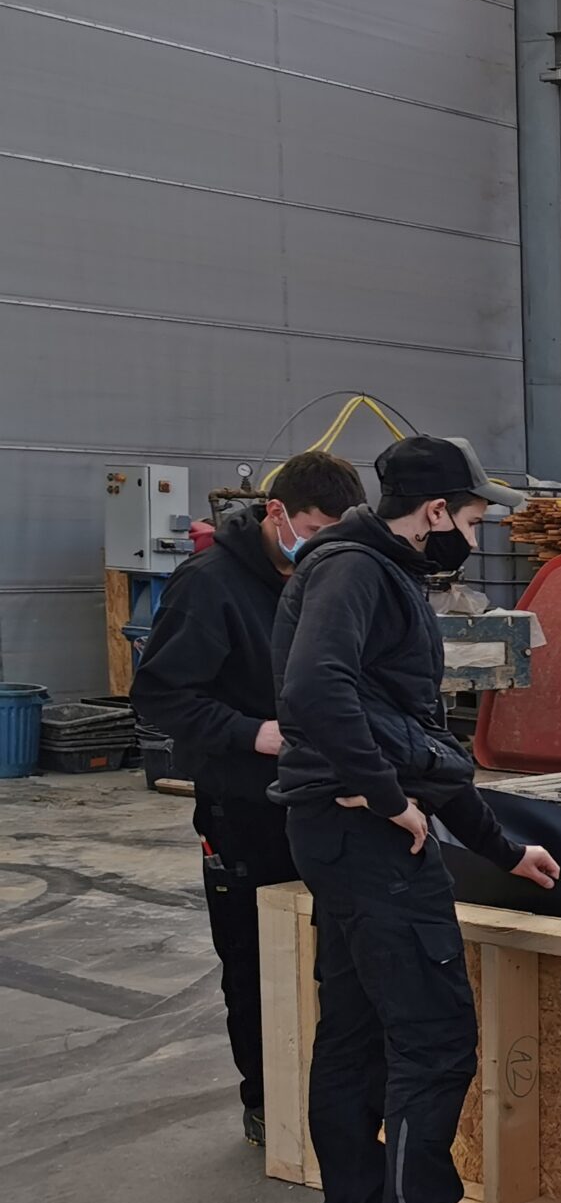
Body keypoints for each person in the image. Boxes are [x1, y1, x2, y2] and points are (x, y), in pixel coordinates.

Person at [271, 436, 561, 1203]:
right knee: (433, 1042)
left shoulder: (368, 570)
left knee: (356, 1035)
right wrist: (386, 795)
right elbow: (313, 689)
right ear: (434, 512)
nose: (472, 538)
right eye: (470, 521)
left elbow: (416, 740)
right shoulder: (357, 571)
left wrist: (504, 849)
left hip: (340, 835)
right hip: (368, 842)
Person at [132, 450, 365, 1147]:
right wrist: (249, 733)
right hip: (245, 804)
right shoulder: (210, 586)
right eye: (313, 532)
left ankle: (334, 1100)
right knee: (257, 958)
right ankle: (268, 1101)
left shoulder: (332, 576)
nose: (322, 548)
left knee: (336, 955)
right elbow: (160, 695)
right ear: (276, 513)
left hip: (325, 798)